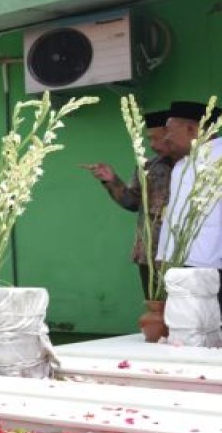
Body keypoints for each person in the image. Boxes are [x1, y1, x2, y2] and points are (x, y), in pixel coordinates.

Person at [83, 109, 174, 296]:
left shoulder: (197, 165)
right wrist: (111, 180)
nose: (153, 145)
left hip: (182, 254)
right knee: (155, 308)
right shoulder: (148, 166)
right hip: (149, 252)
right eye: (150, 139)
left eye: (159, 138)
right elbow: (132, 202)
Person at [157, 100, 222, 308]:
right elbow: (174, 214)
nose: (166, 138)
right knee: (189, 327)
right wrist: (163, 255)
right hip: (182, 264)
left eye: (169, 131)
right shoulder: (182, 165)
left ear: (191, 129)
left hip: (213, 265)